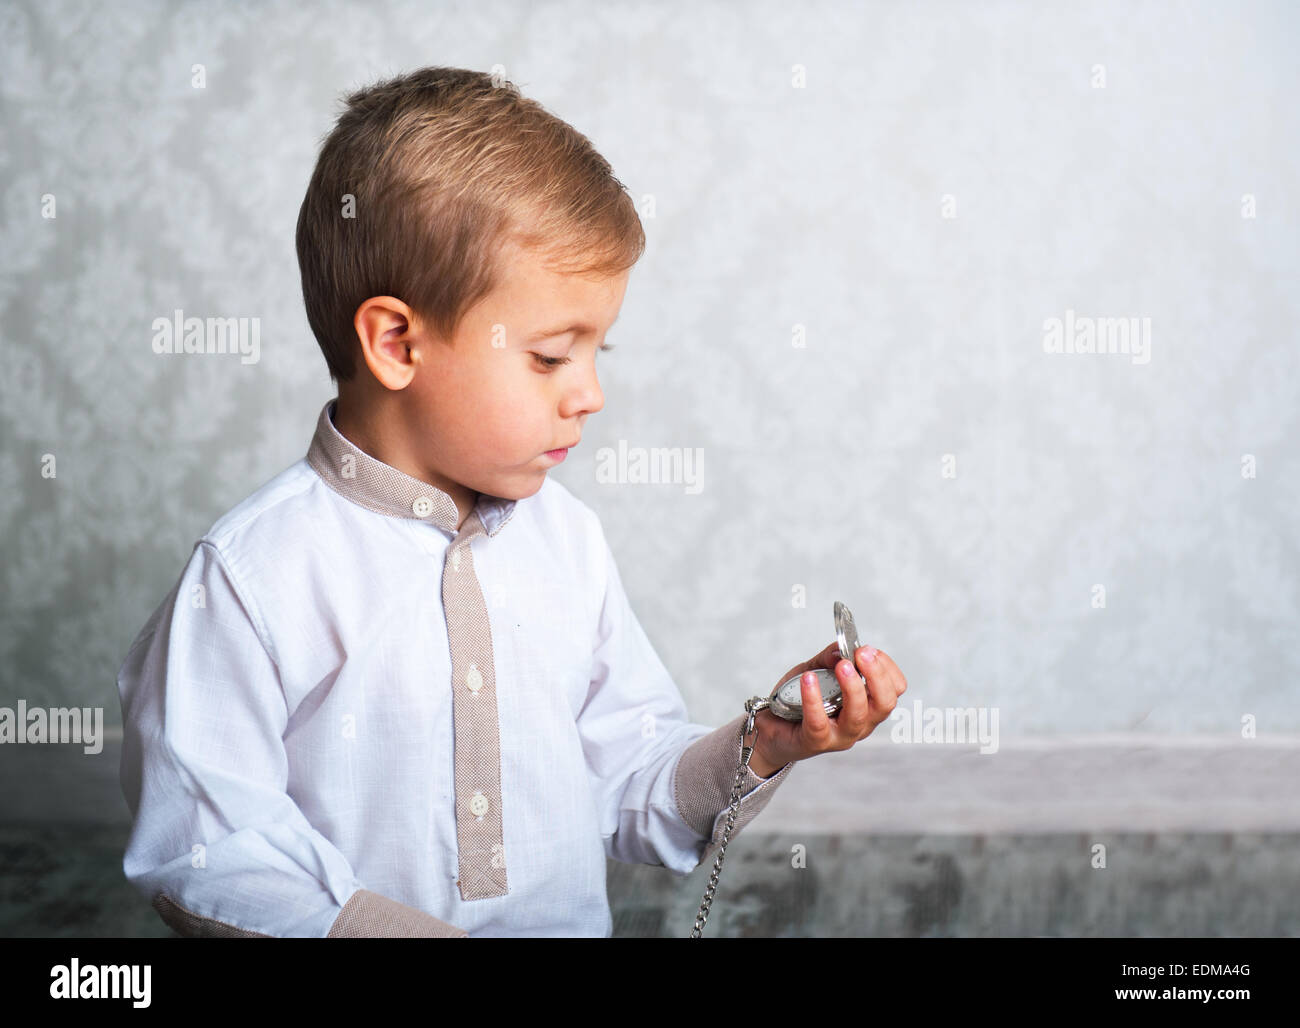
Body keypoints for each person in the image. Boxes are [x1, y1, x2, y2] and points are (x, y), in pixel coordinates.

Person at [115, 66, 908, 938]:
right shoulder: (252, 577)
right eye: (550, 356)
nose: (591, 394)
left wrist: (763, 740)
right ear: (396, 343)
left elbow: (626, 777)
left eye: (600, 351)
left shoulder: (568, 542)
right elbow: (214, 854)